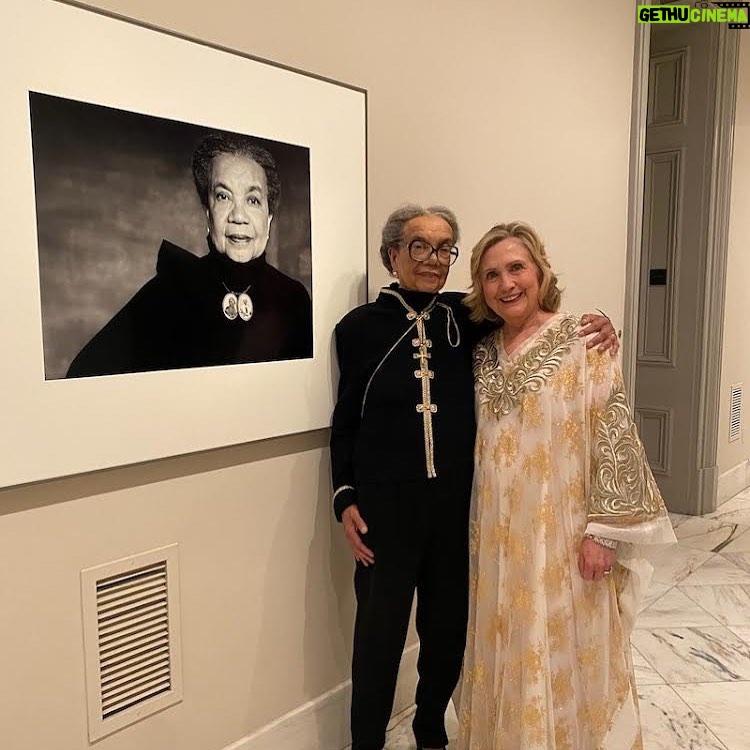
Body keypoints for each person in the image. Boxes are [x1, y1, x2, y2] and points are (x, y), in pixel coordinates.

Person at [329, 206, 618, 750]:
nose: (432, 259)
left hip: (458, 515)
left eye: (443, 248)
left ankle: (430, 727)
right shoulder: (358, 330)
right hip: (384, 517)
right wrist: (344, 497)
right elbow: (345, 422)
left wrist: (601, 322)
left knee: (447, 636)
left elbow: (536, 319)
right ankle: (365, 741)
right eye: (418, 246)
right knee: (377, 640)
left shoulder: (468, 320)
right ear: (392, 254)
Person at [455, 221, 676, 749]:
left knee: (563, 644)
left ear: (540, 271)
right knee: (504, 643)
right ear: (479, 287)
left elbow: (612, 430)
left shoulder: (583, 340)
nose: (506, 284)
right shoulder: (480, 352)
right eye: (491, 275)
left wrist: (603, 531)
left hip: (563, 536)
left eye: (517, 268)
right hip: (494, 540)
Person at [66, 133, 312, 378]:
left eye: (253, 200)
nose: (239, 216)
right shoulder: (169, 291)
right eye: (223, 196)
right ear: (208, 213)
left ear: (268, 218)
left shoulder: (295, 300)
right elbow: (82, 375)